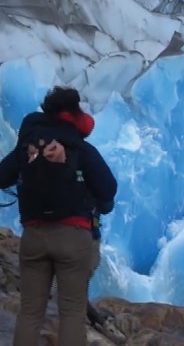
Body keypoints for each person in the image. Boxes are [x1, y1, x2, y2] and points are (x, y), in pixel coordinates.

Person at [0, 86, 117, 346]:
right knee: (72, 313)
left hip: (33, 237)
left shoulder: (29, 145)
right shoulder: (79, 148)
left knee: (30, 312)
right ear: (73, 113)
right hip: (72, 238)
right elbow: (109, 188)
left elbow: (1, 176)